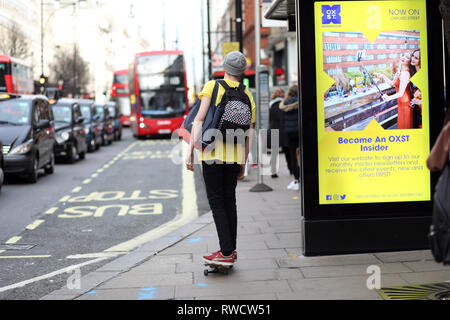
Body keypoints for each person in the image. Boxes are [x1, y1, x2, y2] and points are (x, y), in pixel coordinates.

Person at [185, 51, 256, 266]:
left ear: (225, 67)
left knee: (216, 201)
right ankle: (230, 250)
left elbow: (198, 120)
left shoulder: (213, 87)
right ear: (242, 72)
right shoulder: (248, 95)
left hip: (212, 154)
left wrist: (190, 152)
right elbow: (249, 133)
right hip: (235, 156)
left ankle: (225, 252)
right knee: (229, 201)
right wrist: (243, 162)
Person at [375, 51, 413, 129]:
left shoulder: (405, 73)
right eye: (403, 55)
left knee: (404, 126)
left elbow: (401, 93)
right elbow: (392, 84)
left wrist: (388, 98)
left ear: (410, 61)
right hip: (401, 102)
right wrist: (383, 76)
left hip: (405, 103)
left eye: (407, 57)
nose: (403, 58)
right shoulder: (401, 72)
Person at [279, 84, 300, 191]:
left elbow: (282, 121)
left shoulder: (285, 104)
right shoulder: (300, 103)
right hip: (300, 133)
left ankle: (296, 179)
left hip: (289, 133)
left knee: (293, 156)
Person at [268, 88, 285, 178]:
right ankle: (292, 169)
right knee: (288, 150)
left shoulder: (270, 105)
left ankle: (273, 171)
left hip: (273, 129)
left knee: (274, 152)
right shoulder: (283, 104)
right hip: (282, 129)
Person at [409, 49, 422, 129]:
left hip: (423, 109)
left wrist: (420, 101)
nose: (413, 59)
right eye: (413, 56)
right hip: (416, 107)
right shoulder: (413, 72)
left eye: (416, 58)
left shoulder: (424, 74)